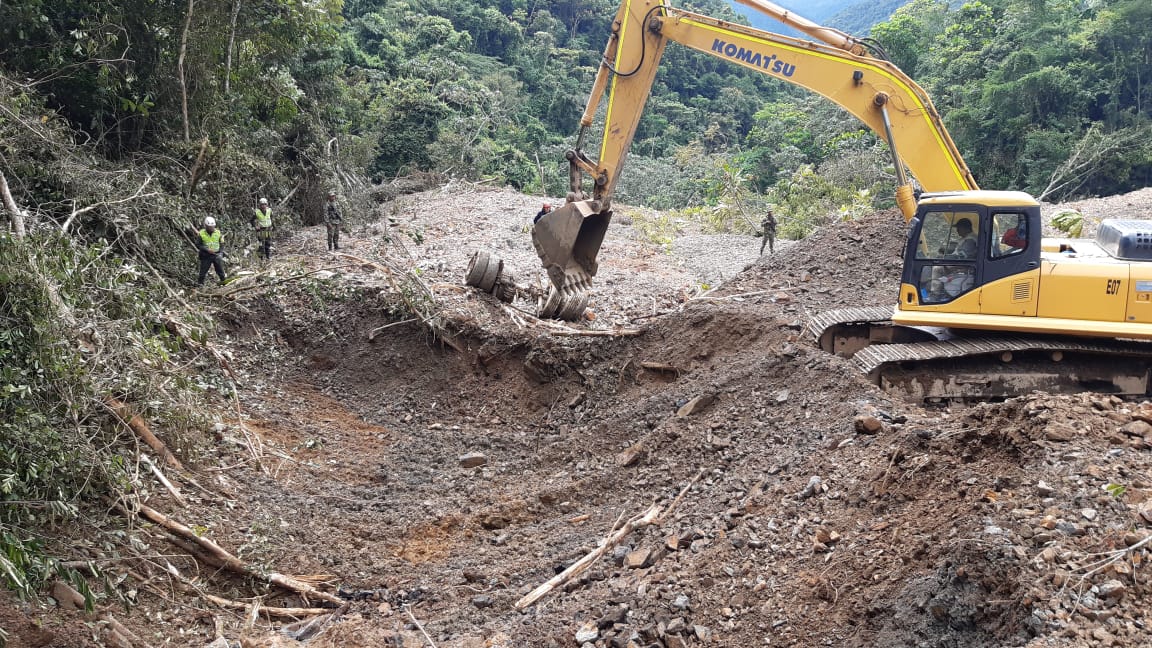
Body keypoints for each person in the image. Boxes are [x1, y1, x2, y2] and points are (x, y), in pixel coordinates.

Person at [196, 216, 226, 286]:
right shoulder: (201, 233)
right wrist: (206, 249)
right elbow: (198, 244)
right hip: (206, 255)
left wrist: (220, 253)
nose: (211, 228)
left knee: (220, 271)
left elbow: (222, 243)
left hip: (216, 254)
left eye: (212, 227)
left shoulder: (218, 232)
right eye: (209, 227)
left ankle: (224, 282)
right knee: (202, 272)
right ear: (206, 226)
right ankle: (200, 285)